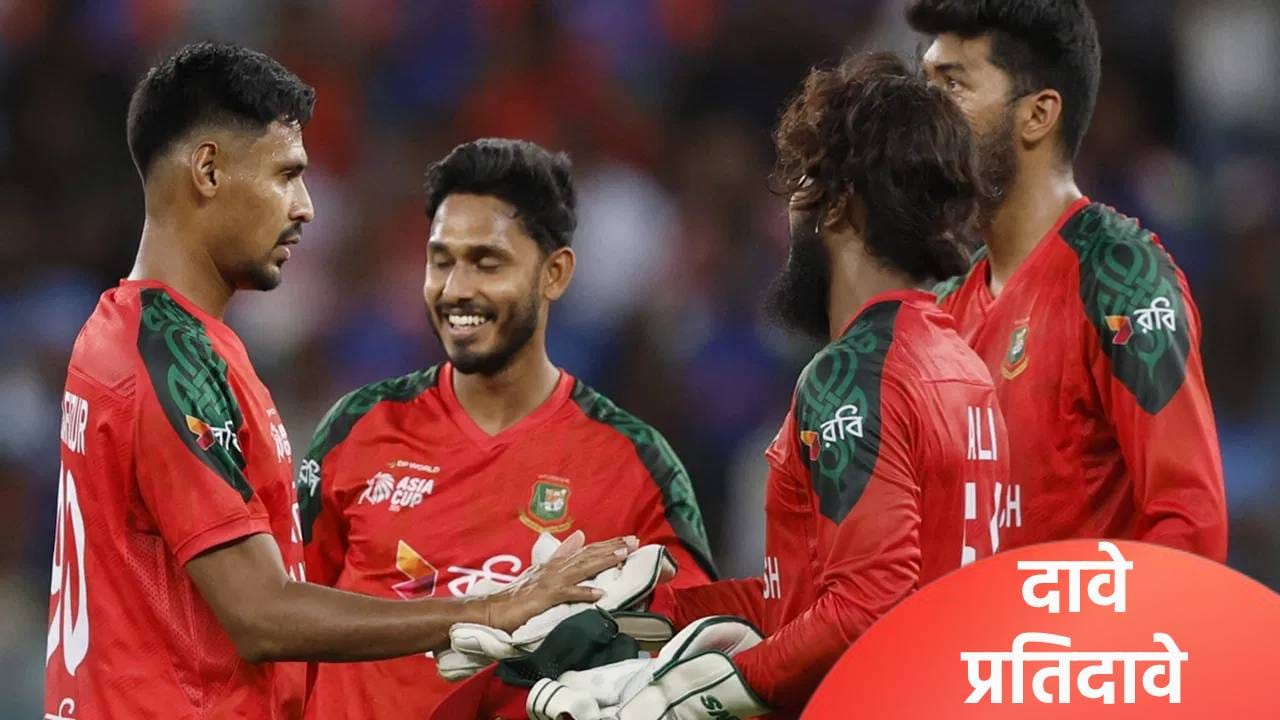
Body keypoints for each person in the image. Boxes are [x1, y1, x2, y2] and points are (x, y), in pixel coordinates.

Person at [42, 42, 633, 720]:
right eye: (286, 175)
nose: (306, 207)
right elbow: (261, 615)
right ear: (208, 169)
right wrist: (494, 609)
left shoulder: (125, 333)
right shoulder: (170, 356)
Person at [465, 51, 1009, 720]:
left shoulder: (853, 373)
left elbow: (867, 604)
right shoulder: (964, 366)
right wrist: (643, 609)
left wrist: (702, 694)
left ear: (840, 205)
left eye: (802, 185)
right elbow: (815, 598)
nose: (789, 214)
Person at [297, 138, 715, 719]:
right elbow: (288, 624)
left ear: (554, 274)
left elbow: (692, 663)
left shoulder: (636, 464)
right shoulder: (358, 430)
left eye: (486, 263)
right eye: (441, 261)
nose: (456, 289)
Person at [908, 0, 1227, 558]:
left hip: (1087, 618)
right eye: (925, 83)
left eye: (952, 86)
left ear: (1038, 114)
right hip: (968, 618)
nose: (922, 114)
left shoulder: (1118, 278)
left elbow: (1190, 525)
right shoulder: (940, 316)